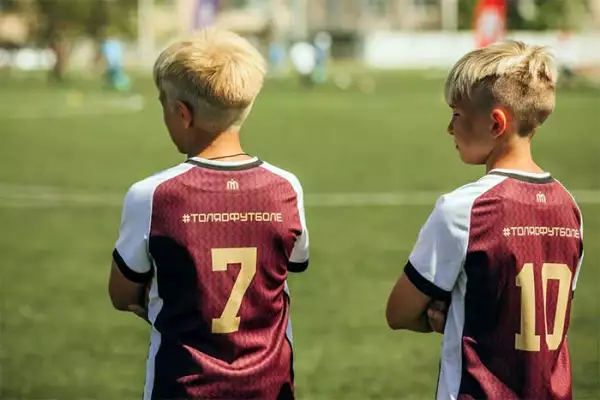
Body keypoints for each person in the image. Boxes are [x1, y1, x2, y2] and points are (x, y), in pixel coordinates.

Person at [108, 28, 309, 400]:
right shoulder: (285, 187)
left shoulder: (152, 195)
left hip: (181, 387)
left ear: (182, 114)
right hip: (269, 387)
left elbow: (122, 294)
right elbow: (291, 267)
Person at [386, 40, 584, 400]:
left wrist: (444, 316)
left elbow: (398, 312)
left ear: (496, 123)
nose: (449, 128)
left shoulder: (464, 209)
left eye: (457, 114)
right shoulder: (569, 207)